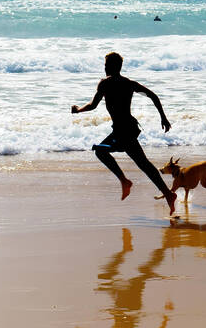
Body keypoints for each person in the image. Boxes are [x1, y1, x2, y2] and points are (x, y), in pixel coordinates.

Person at [72, 52, 177, 212]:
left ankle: (124, 181)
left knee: (100, 151)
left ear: (111, 67)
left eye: (106, 65)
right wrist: (163, 117)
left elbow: (93, 105)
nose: (105, 68)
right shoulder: (129, 83)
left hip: (123, 131)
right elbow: (153, 96)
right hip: (128, 128)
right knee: (144, 164)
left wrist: (78, 110)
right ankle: (168, 194)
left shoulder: (104, 83)